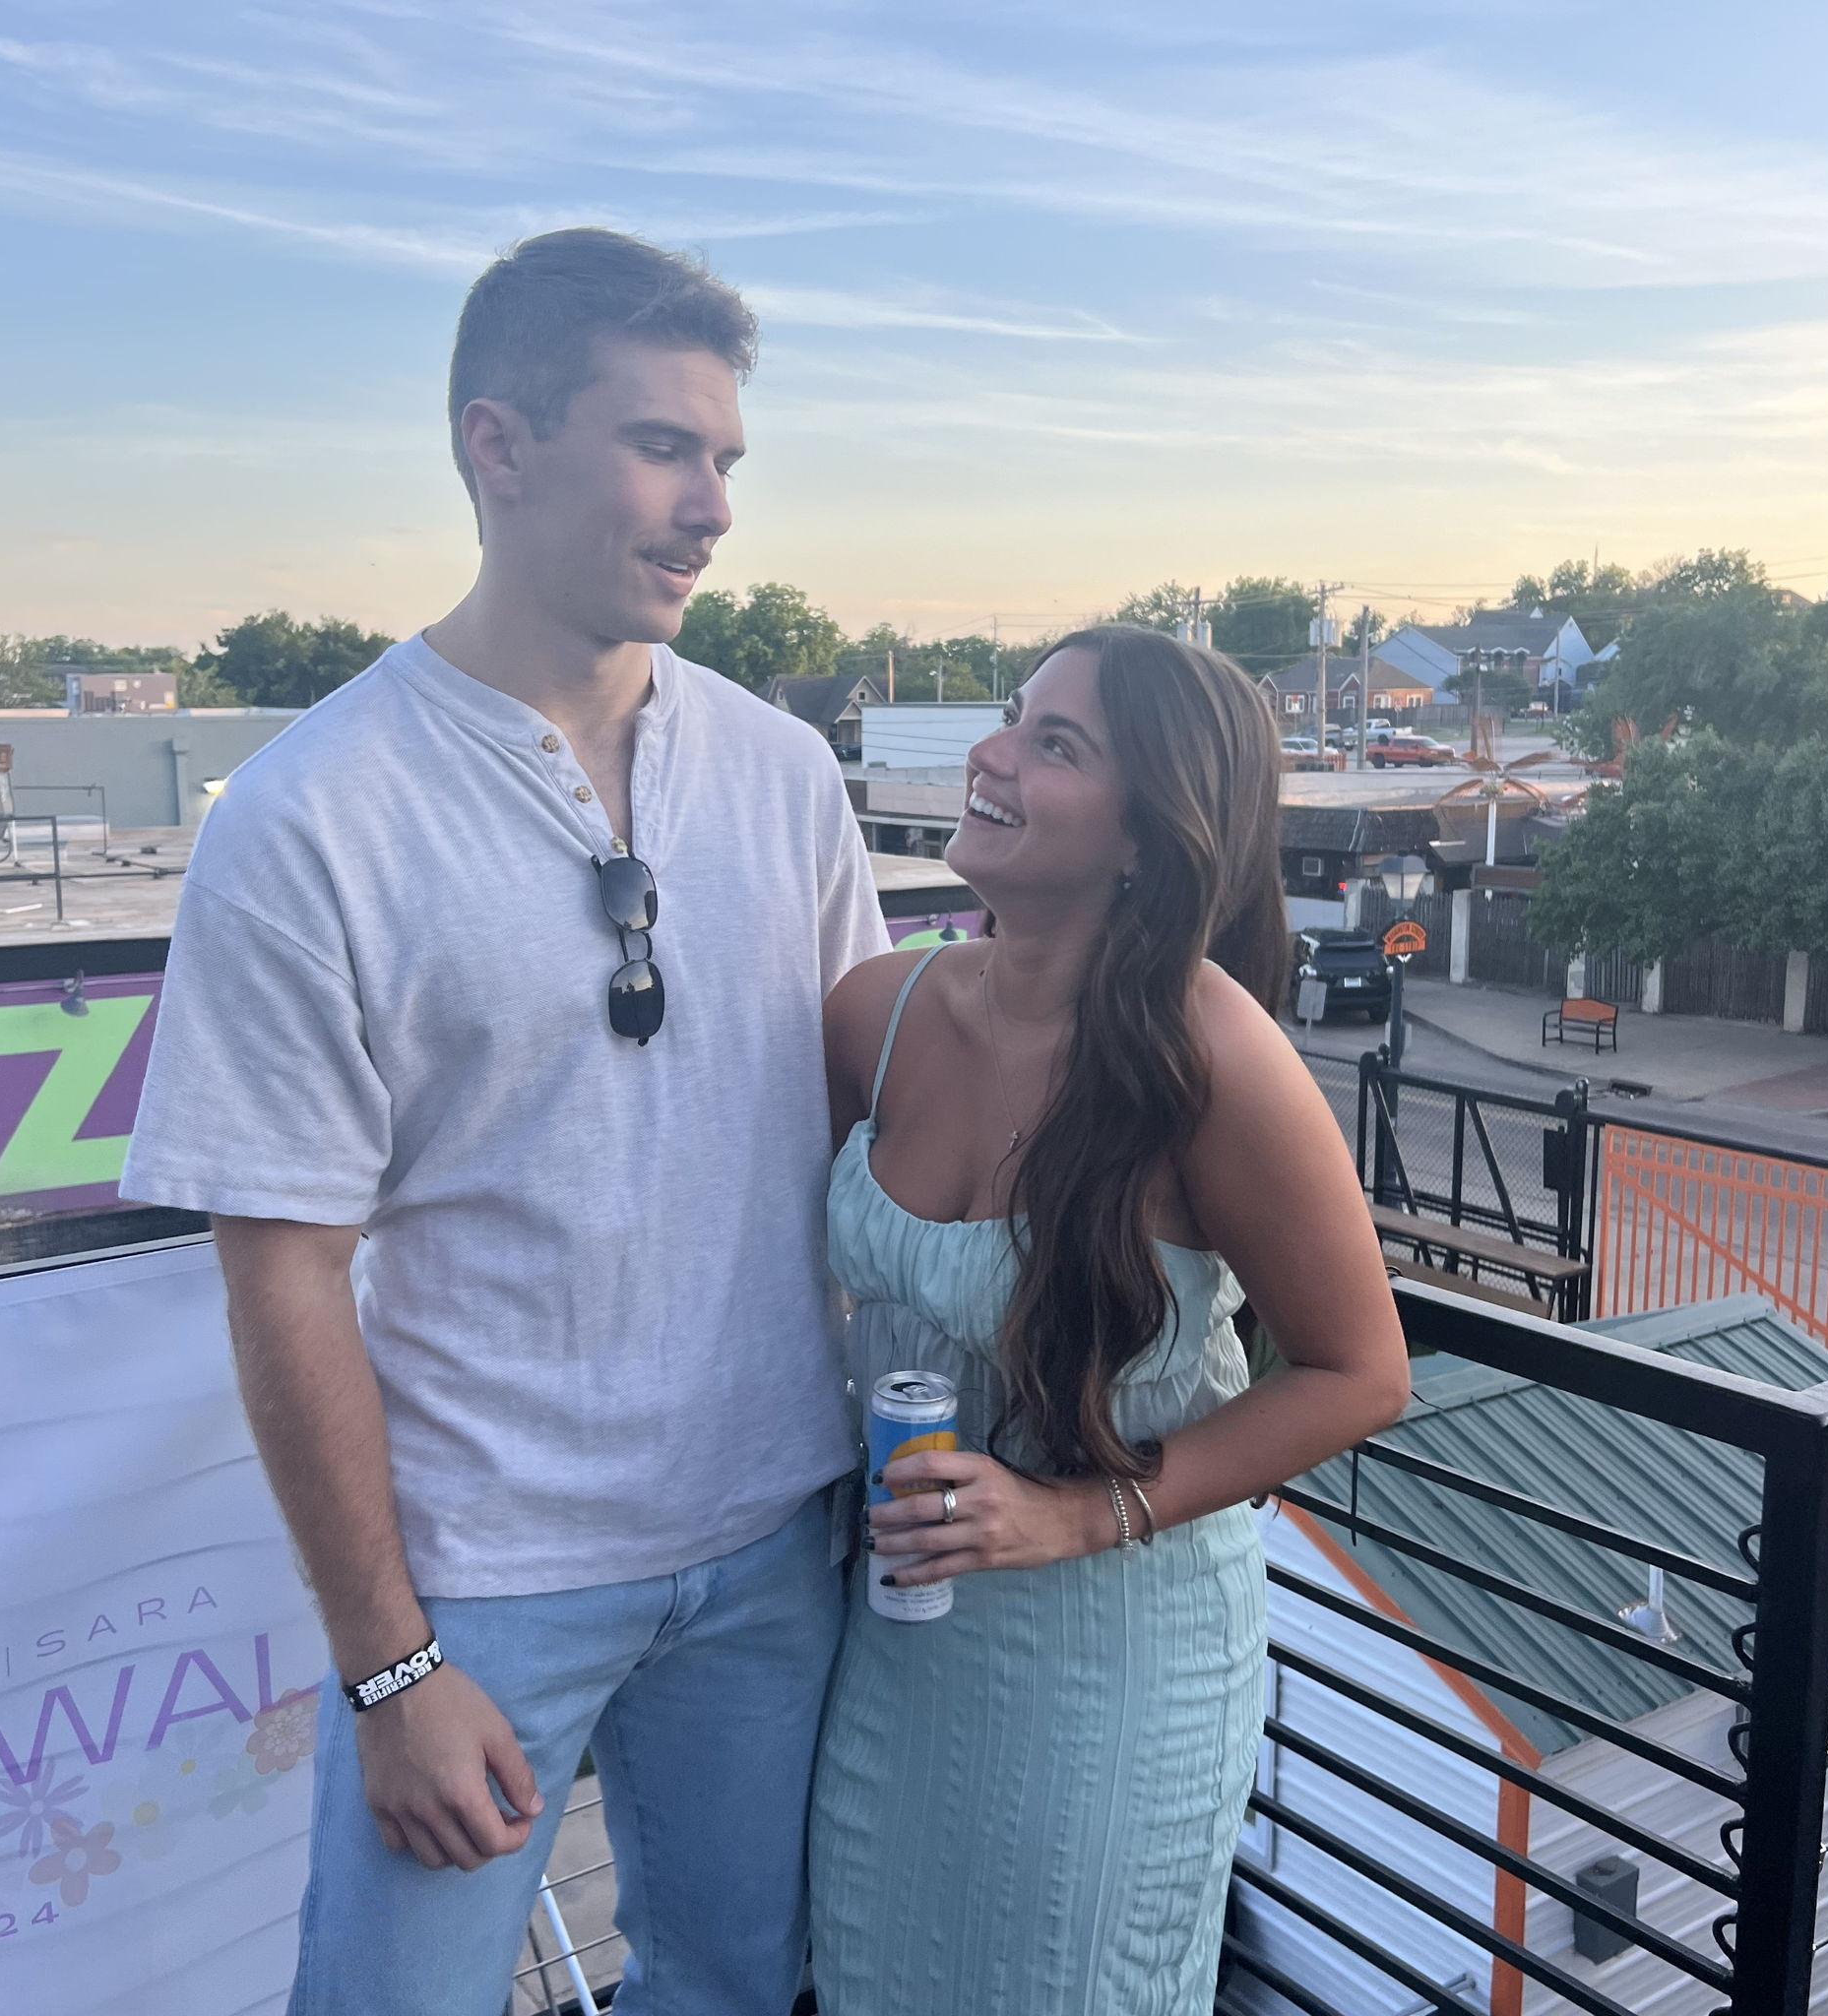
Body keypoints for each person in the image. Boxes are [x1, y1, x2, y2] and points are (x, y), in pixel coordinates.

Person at [120, 228, 889, 2016]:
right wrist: (390, 1666)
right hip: (482, 1588)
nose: (713, 509)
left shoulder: (785, 774)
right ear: (498, 445)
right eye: (661, 447)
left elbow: (885, 1117)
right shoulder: (310, 816)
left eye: (726, 459)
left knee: (735, 1988)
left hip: (777, 1541)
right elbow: (283, 1273)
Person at [807, 625, 1411, 2012]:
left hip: (1115, 1665)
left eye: (1054, 744)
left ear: (1147, 835)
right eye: (1013, 717)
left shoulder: (1214, 1061)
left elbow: (1361, 1372)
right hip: (897, 1646)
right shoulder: (874, 1015)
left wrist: (1079, 1514)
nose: (992, 754)